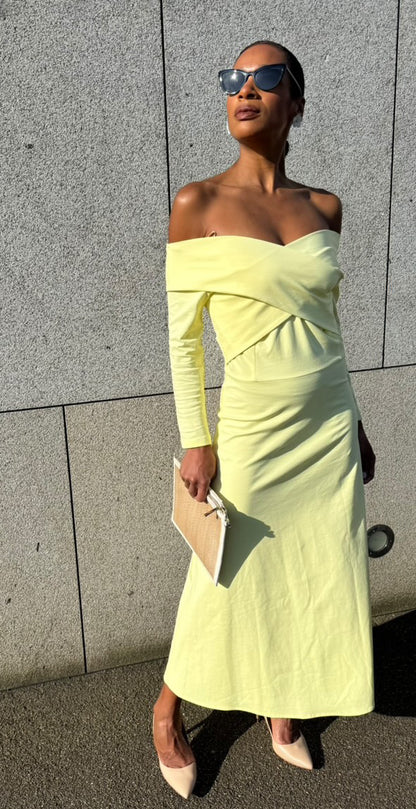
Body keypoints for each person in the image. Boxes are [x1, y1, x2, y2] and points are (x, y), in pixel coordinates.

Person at [153, 39, 376, 799]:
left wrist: (357, 421)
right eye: (234, 79)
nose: (244, 90)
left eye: (265, 78)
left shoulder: (325, 208)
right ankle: (167, 711)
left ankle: (284, 706)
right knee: (223, 573)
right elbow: (184, 341)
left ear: (297, 104)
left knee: (314, 570)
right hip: (252, 425)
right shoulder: (198, 204)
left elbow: (329, 328)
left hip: (326, 425)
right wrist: (197, 439)